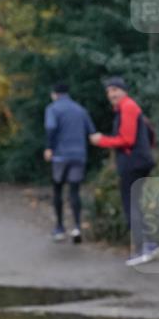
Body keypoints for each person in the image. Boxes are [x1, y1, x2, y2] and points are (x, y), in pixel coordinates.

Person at [89, 76, 159, 267]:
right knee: (134, 203)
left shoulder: (128, 107)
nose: (111, 94)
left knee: (131, 205)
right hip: (138, 161)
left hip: (134, 164)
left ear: (124, 91)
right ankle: (150, 244)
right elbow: (147, 135)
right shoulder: (127, 108)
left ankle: (144, 248)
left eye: (115, 90)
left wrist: (102, 140)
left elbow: (126, 139)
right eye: (109, 92)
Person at [43, 83, 95, 244]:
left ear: (54, 94)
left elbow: (51, 128)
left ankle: (59, 227)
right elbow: (91, 132)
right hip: (78, 155)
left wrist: (49, 148)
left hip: (60, 156)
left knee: (58, 189)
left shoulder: (52, 109)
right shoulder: (80, 109)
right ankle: (77, 226)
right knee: (75, 191)